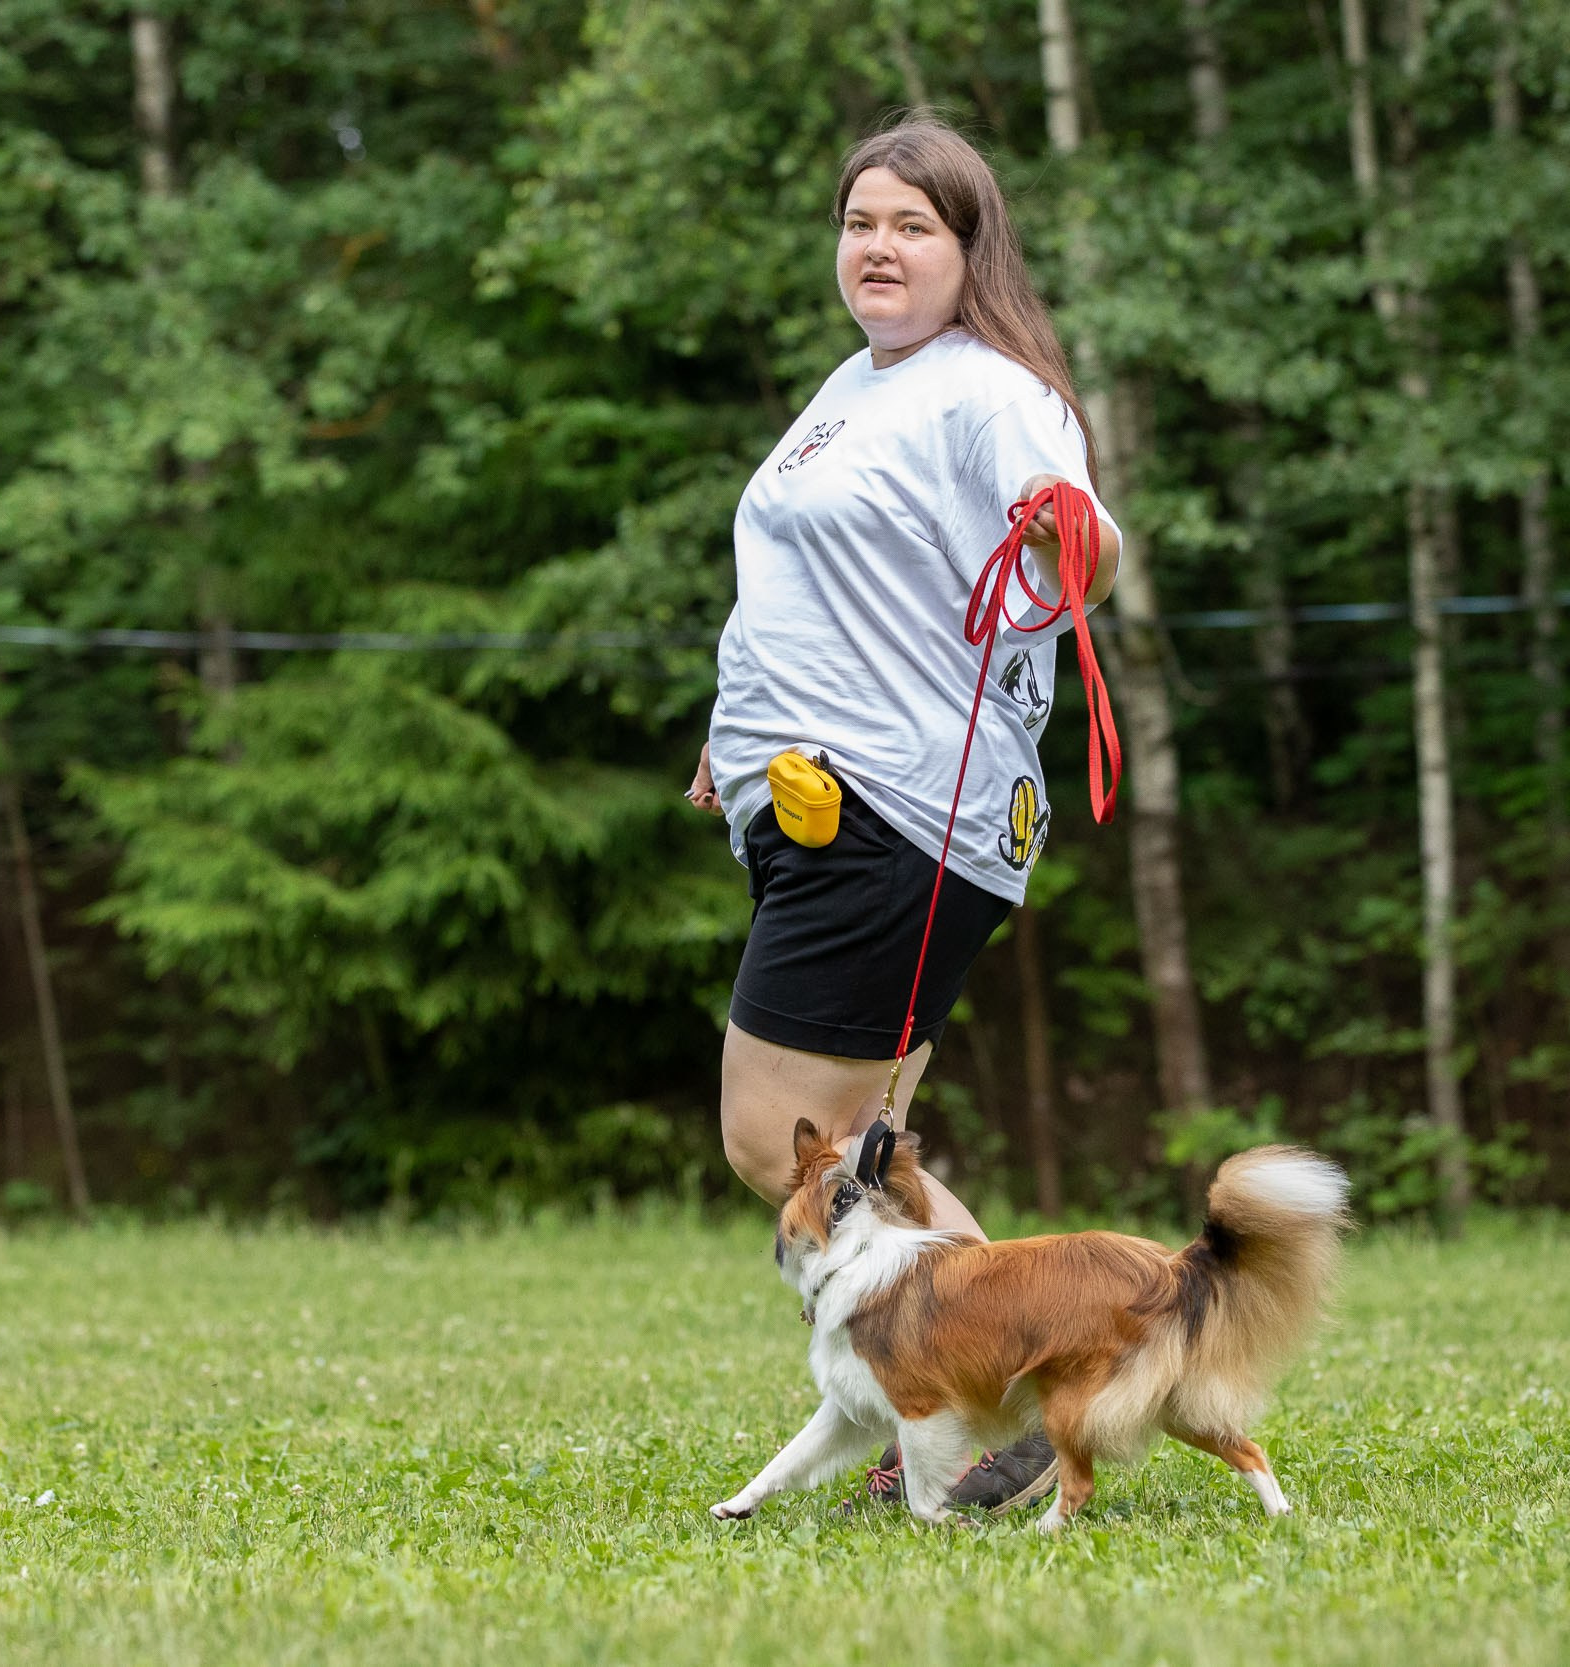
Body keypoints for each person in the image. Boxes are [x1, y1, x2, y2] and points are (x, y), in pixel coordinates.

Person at [686, 117, 1122, 1511]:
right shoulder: (855, 386)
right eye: (860, 222)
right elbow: (812, 590)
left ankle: (1018, 1383)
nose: (878, 247)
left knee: (776, 1136)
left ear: (969, 249)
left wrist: (1068, 529)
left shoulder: (988, 392)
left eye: (912, 226)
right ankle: (1020, 1401)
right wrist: (735, 737)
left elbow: (1082, 546)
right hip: (822, 802)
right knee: (869, 1154)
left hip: (901, 811)